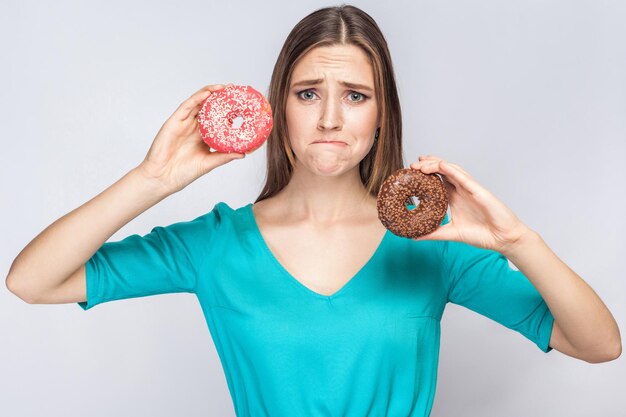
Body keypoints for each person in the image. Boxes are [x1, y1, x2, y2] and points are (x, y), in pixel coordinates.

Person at [6, 4, 621, 417]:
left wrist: (517, 241)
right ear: (279, 109)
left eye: (355, 96)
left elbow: (598, 345)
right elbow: (32, 281)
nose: (330, 118)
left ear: (381, 116)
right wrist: (152, 179)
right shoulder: (215, 244)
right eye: (308, 94)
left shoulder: (433, 245)